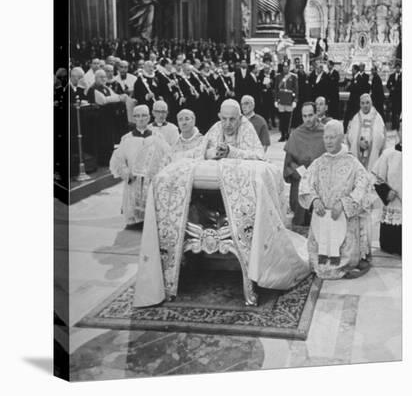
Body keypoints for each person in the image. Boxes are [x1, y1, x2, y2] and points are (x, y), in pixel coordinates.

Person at [133, 99, 311, 307]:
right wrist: (212, 154)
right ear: (219, 116)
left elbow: (257, 156)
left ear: (239, 118)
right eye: (224, 119)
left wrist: (232, 153)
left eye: (232, 119)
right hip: (210, 188)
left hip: (240, 193)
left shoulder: (246, 128)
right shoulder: (216, 128)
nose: (228, 124)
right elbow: (200, 151)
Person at [299, 119, 375, 279]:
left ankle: (344, 263)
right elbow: (305, 182)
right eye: (326, 137)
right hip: (321, 218)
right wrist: (314, 200)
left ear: (341, 137)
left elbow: (364, 187)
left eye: (332, 137)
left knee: (342, 255)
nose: (328, 141)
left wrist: (344, 203)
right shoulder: (319, 162)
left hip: (343, 220)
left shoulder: (352, 163)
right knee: (318, 258)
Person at [109, 105, 171, 229]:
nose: (141, 119)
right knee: (134, 208)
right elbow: (118, 160)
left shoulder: (157, 137)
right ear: (133, 118)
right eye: (137, 116)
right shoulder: (127, 138)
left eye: (144, 115)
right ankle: (135, 222)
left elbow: (167, 156)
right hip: (133, 180)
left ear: (149, 117)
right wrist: (126, 173)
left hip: (151, 179)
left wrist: (159, 173)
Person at [283, 102, 325, 226]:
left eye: (310, 115)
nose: (308, 119)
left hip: (321, 178)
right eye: (304, 116)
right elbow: (289, 163)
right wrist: (302, 172)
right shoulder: (296, 134)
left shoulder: (325, 133)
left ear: (316, 113)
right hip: (301, 178)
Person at [372, 118, 402, 255]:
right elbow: (376, 178)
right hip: (393, 208)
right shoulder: (389, 154)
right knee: (391, 247)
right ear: (398, 132)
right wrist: (386, 192)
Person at [346, 93, 386, 171]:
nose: (365, 105)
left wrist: (369, 142)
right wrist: (359, 142)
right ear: (360, 104)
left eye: (367, 103)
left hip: (372, 153)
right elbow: (350, 135)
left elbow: (381, 136)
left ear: (371, 103)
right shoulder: (356, 118)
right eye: (363, 103)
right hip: (358, 151)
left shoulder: (377, 118)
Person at [274, 60, 298, 142]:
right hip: (281, 99)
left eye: (287, 67)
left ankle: (288, 134)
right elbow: (276, 89)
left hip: (289, 100)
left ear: (289, 67)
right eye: (284, 67)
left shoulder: (293, 77)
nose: (285, 68)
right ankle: (282, 134)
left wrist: (295, 100)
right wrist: (276, 100)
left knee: (288, 118)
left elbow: (296, 89)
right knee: (282, 118)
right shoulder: (278, 77)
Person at [386, 63, 402, 130]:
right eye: (396, 68)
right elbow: (387, 84)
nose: (397, 69)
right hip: (393, 97)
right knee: (393, 112)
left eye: (398, 68)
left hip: (399, 97)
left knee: (398, 112)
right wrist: (391, 88)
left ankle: (397, 125)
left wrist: (395, 88)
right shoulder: (391, 76)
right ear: (395, 68)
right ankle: (393, 126)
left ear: (400, 68)